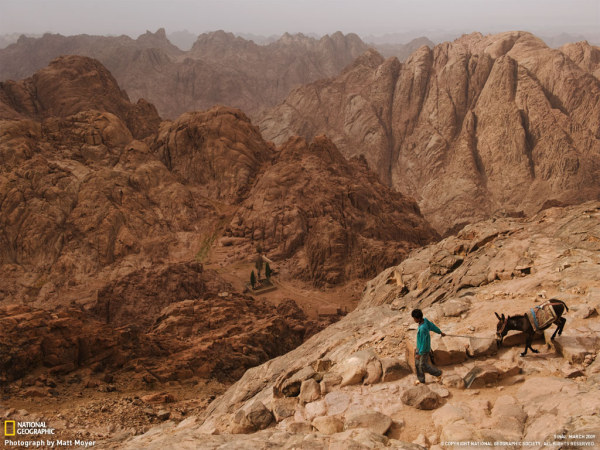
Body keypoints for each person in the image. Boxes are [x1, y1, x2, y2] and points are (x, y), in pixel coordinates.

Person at [411, 308, 445, 384]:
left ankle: (438, 373)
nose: (414, 320)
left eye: (414, 318)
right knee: (417, 364)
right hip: (419, 347)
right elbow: (433, 326)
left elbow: (424, 342)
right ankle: (421, 380)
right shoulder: (425, 320)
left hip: (424, 350)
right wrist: (440, 332)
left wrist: (420, 353)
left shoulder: (423, 328)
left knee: (423, 365)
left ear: (418, 318)